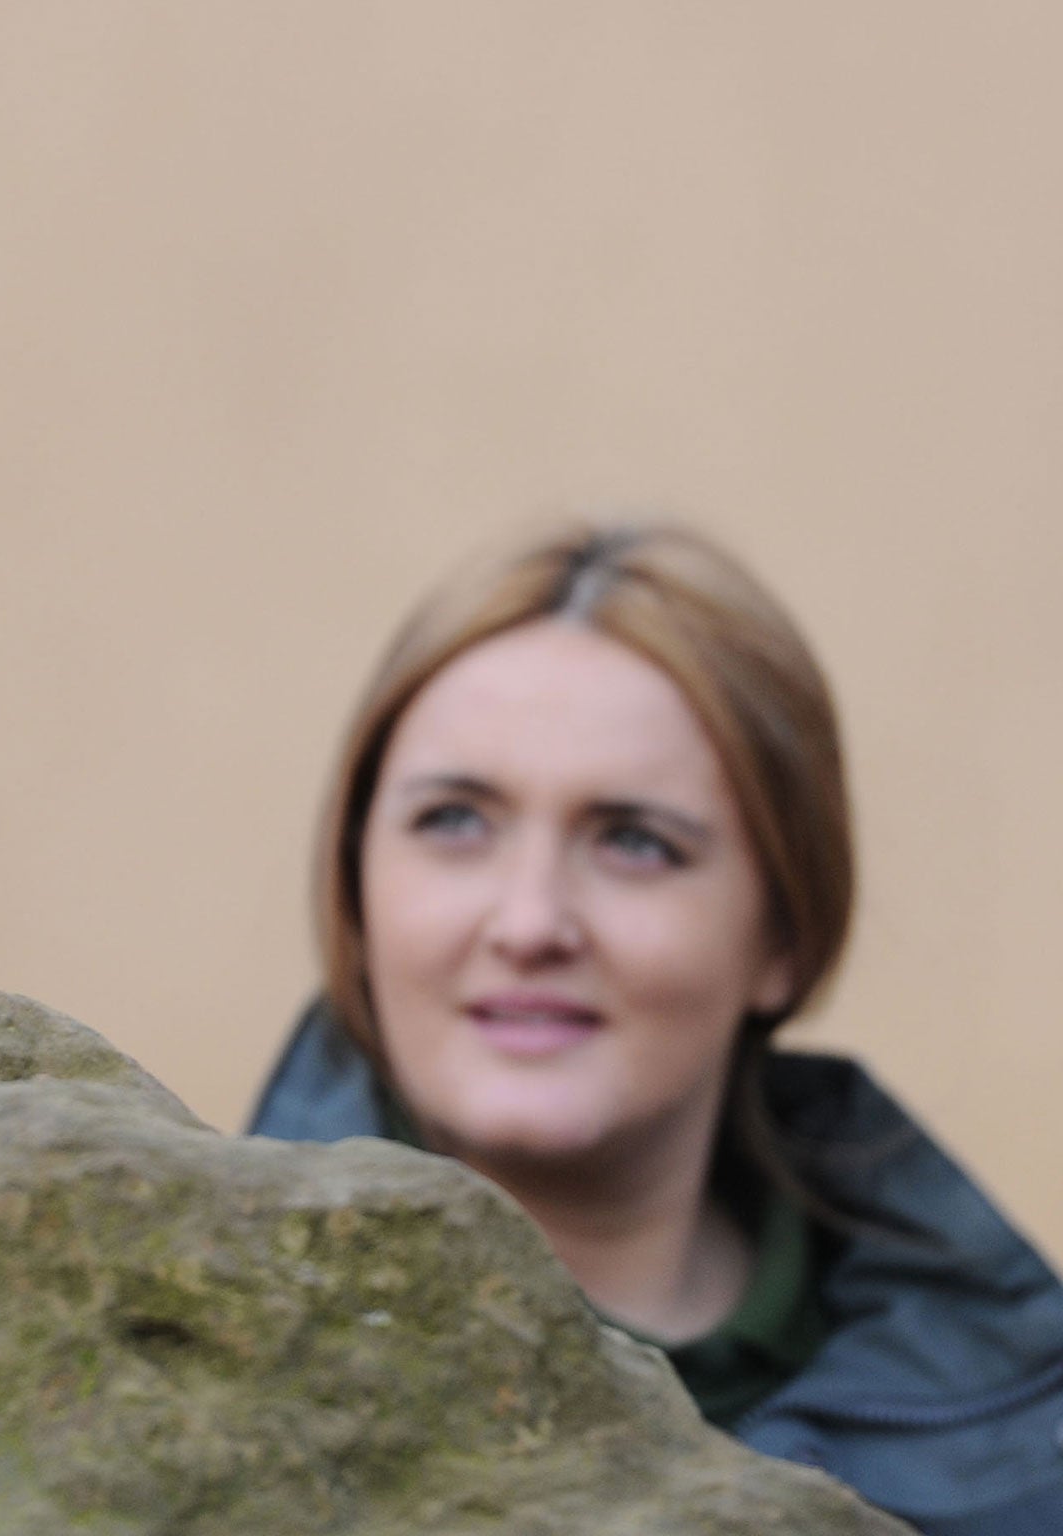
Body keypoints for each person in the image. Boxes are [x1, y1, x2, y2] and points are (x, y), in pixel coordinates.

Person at [250, 524, 1063, 1534]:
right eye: (454, 821)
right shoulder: (156, 1361)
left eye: (632, 840)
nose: (529, 923)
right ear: (356, 889)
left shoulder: (1022, 1447)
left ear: (783, 934)